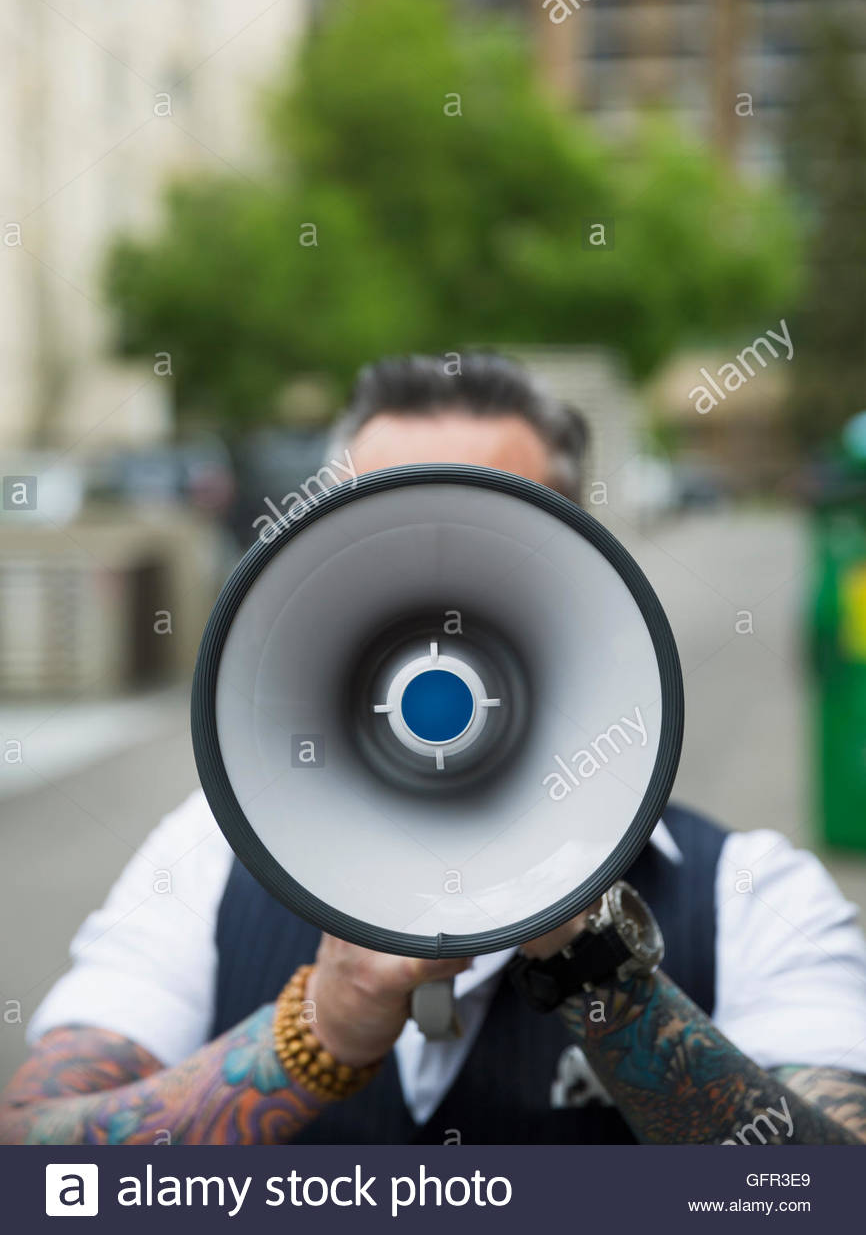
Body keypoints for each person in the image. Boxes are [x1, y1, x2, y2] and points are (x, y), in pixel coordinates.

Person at [2, 353, 866, 1146]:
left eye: (483, 527)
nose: (436, 577)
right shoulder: (205, 863)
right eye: (384, 526)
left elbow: (818, 1198)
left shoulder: (748, 894)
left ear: (585, 566)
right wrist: (316, 1036)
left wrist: (592, 966)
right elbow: (39, 1171)